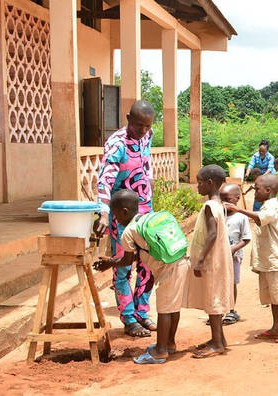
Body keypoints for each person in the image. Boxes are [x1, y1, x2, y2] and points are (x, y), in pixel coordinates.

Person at [93, 189, 190, 364]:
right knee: (173, 307)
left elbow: (127, 260)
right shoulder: (147, 218)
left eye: (115, 216)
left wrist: (109, 263)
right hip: (181, 261)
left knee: (164, 310)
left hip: (169, 270)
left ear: (124, 212)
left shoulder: (128, 231)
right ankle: (169, 343)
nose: (115, 220)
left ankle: (160, 352)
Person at [93, 100, 157, 337]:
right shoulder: (116, 143)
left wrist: (149, 180)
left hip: (144, 212)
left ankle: (142, 312)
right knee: (123, 266)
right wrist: (104, 212)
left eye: (147, 126)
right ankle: (129, 318)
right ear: (128, 118)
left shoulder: (147, 135)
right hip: (122, 215)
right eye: (139, 125)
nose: (142, 131)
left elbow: (146, 162)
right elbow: (105, 179)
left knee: (148, 264)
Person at [225, 175, 278, 343]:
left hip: (275, 259)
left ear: (268, 191)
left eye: (257, 189)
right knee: (272, 295)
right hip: (267, 259)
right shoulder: (266, 205)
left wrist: (238, 209)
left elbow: (259, 218)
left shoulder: (272, 206)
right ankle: (276, 326)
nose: (254, 192)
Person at [186, 165, 233, 358]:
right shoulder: (219, 204)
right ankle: (219, 338)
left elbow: (212, 234)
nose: (197, 186)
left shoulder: (210, 207)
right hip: (219, 259)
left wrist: (200, 261)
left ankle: (217, 344)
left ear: (210, 183)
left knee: (213, 301)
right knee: (214, 297)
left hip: (212, 261)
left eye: (199, 182)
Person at [220, 184, 251, 326]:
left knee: (231, 283)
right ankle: (218, 311)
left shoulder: (241, 217)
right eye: (221, 199)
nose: (224, 203)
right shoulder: (218, 215)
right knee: (218, 283)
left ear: (237, 199)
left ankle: (231, 310)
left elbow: (246, 238)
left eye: (227, 199)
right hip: (218, 257)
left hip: (234, 257)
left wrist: (233, 249)